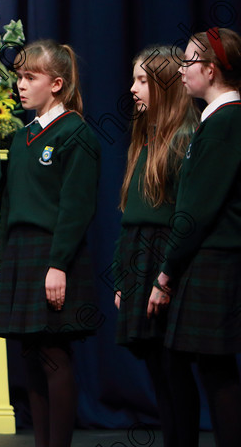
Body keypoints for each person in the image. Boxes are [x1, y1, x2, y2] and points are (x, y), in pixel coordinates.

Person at [0, 39, 100, 447]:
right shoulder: (22, 138)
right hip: (18, 255)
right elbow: (9, 203)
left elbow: (76, 208)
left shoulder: (75, 134)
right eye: (18, 76)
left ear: (56, 84)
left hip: (51, 254)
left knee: (53, 354)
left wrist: (58, 265)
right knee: (31, 357)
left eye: (29, 77)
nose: (20, 85)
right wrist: (0, 263)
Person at [148, 27, 241, 447]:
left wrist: (166, 273)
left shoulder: (225, 124)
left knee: (216, 369)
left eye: (188, 62)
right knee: (209, 366)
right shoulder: (217, 121)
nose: (182, 70)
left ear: (211, 68)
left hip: (216, 258)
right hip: (212, 256)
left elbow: (197, 210)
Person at [113, 46, 200, 447]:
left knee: (172, 366)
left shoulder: (185, 140)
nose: (133, 89)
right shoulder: (145, 138)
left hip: (163, 259)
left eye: (143, 81)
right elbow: (131, 215)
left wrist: (165, 278)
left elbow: (185, 218)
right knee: (157, 366)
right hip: (138, 255)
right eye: (134, 79)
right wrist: (121, 278)